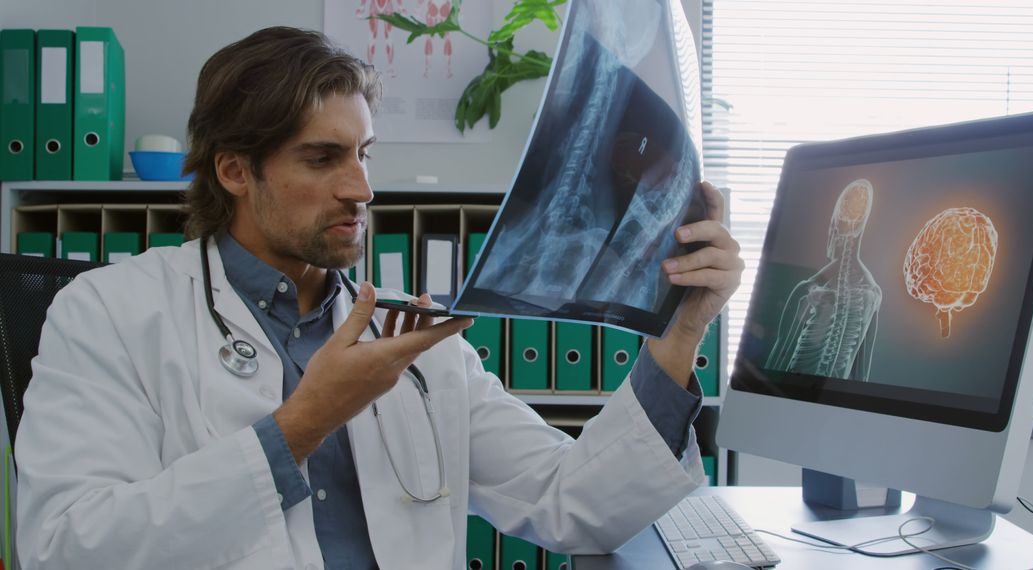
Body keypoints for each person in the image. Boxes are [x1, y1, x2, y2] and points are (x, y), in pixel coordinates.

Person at [15, 27, 745, 569]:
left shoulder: (414, 339)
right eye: (323, 157)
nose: (361, 190)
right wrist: (305, 422)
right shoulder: (107, 313)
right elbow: (63, 548)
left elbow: (573, 502)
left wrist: (678, 333)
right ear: (235, 171)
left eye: (364, 154)